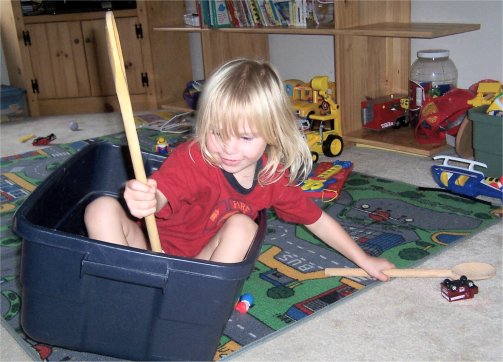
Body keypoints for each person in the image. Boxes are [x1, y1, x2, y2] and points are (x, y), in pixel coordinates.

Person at [84, 59, 395, 281]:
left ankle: (200, 301)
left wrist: (363, 260)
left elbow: (318, 220)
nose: (228, 148)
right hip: (147, 256)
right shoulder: (194, 157)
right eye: (217, 132)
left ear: (272, 133)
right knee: (101, 209)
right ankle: (120, 286)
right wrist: (150, 200)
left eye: (245, 137)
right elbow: (164, 192)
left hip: (198, 270)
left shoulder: (272, 177)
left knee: (243, 227)